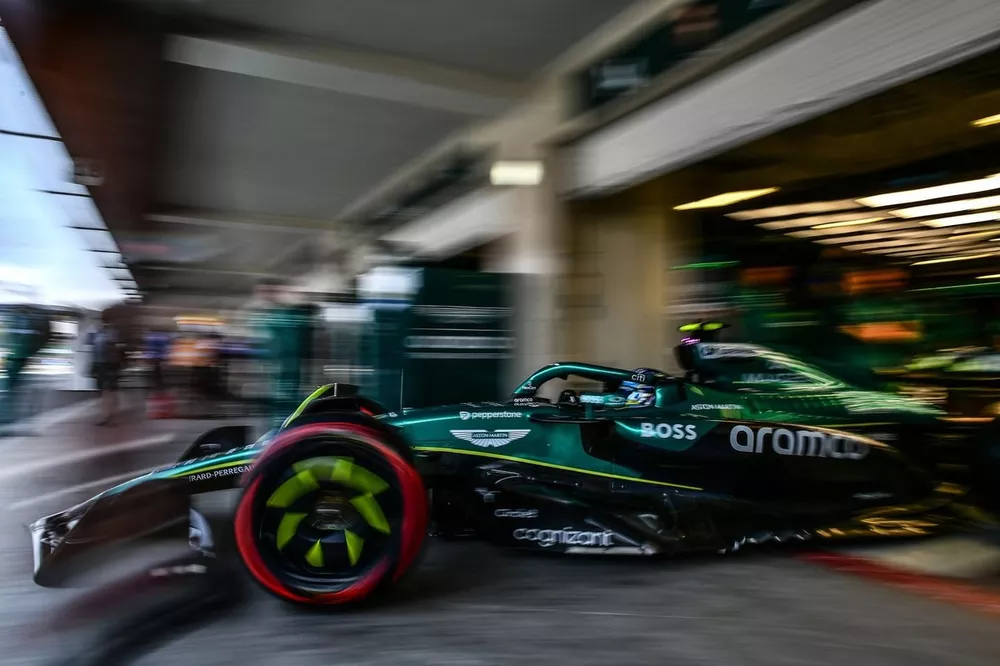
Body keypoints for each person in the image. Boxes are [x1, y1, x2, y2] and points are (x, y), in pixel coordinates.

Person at [1, 304, 51, 434]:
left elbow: (9, 339)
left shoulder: (15, 321)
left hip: (17, 360)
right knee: (19, 392)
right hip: (21, 360)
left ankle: (11, 422)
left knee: (13, 392)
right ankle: (17, 423)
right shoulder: (30, 322)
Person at [89, 315, 122, 426]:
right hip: (100, 365)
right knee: (104, 392)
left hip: (109, 365)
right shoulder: (97, 333)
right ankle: (107, 416)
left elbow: (113, 346)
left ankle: (111, 416)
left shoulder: (111, 333)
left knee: (109, 392)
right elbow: (89, 343)